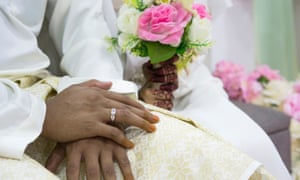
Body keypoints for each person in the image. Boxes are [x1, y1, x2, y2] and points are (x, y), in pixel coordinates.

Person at [0, 0, 276, 179]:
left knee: (219, 164)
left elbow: (85, 22)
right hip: (17, 112)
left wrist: (101, 110)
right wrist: (38, 116)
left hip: (45, 92)